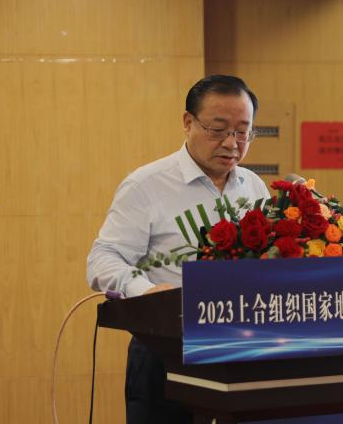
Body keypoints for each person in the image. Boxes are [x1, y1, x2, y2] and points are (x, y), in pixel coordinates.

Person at [87, 75, 269, 423]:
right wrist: (148, 292)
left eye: (243, 132)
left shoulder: (253, 186)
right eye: (218, 130)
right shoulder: (146, 185)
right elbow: (103, 259)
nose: (231, 143)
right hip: (166, 349)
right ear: (188, 122)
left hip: (240, 347)